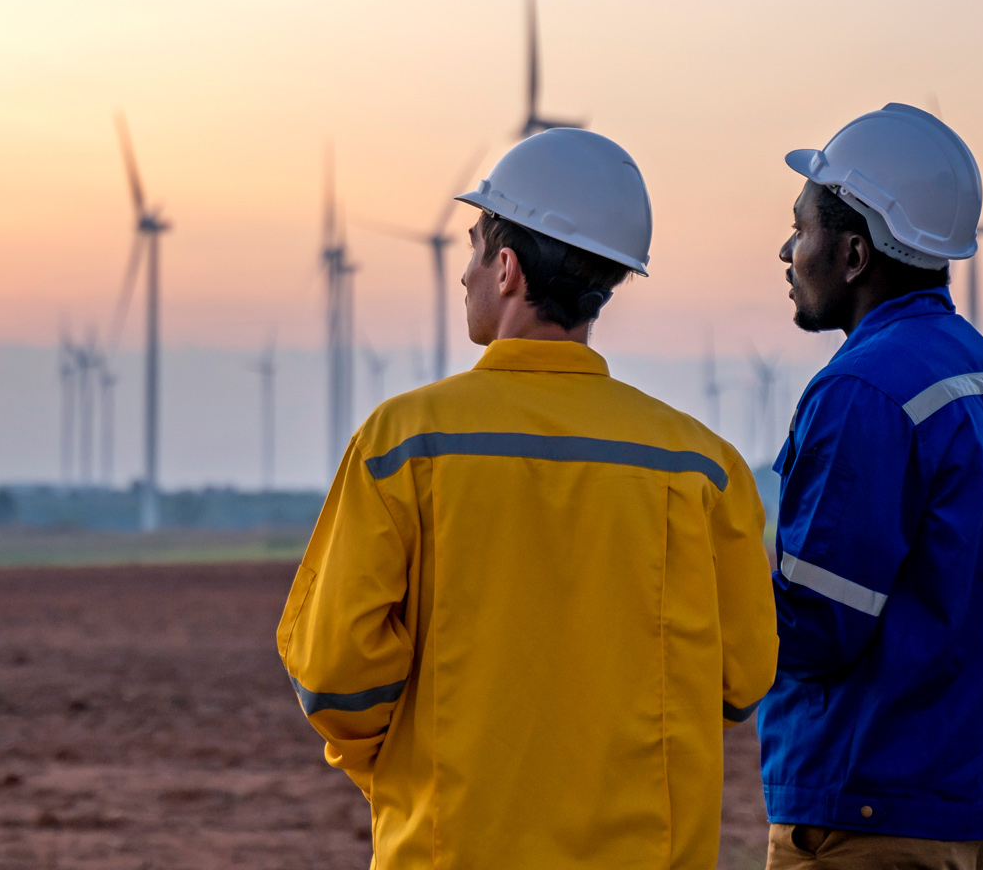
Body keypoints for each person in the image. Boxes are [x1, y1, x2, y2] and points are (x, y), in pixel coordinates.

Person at [278, 127, 778, 870]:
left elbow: (335, 674)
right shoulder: (703, 468)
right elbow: (741, 680)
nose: (464, 275)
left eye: (475, 246)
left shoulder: (403, 444)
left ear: (506, 267)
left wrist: (409, 767)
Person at [758, 105, 983, 870]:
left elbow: (818, 626)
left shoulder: (865, 389)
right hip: (961, 804)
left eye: (802, 228)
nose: (788, 250)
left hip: (862, 809)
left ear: (853, 253)